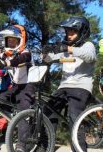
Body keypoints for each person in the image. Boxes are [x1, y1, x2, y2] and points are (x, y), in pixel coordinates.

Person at [40, 16, 96, 152]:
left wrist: (68, 49)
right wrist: (45, 53)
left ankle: (79, 149)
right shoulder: (66, 49)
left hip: (81, 87)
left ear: (82, 32)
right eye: (67, 32)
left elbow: (90, 56)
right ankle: (47, 146)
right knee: (48, 111)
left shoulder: (88, 45)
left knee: (74, 116)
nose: (69, 35)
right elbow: (50, 59)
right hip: (63, 87)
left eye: (73, 32)